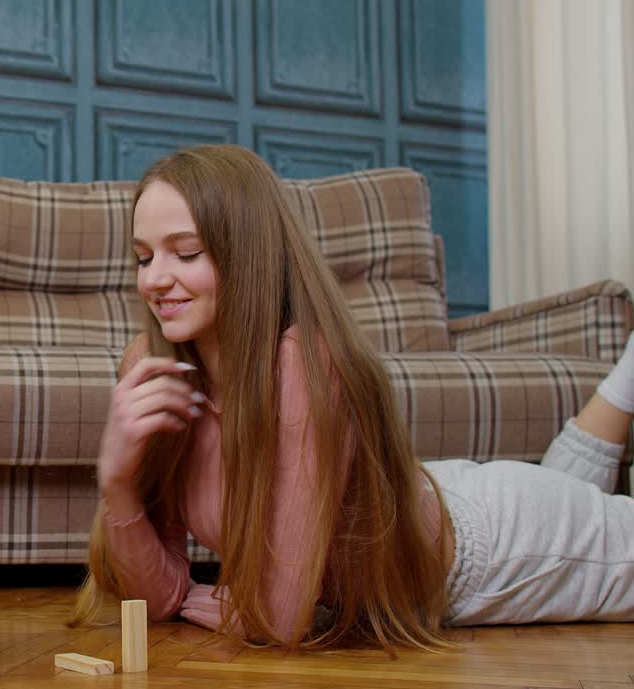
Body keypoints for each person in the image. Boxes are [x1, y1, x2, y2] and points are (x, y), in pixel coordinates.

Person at [71, 143, 634, 650]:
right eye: (144, 257)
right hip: (441, 493)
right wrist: (117, 482)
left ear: (247, 254)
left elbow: (278, 617)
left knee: (590, 514)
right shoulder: (154, 367)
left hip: (501, 550)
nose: (155, 280)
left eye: (186, 253)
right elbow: (157, 599)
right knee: (574, 487)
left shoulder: (302, 360)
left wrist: (215, 600)